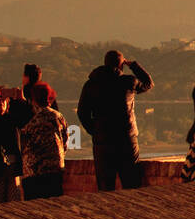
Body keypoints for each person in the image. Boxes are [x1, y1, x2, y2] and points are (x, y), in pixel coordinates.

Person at [77, 50, 153, 191]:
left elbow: (82, 112)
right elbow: (148, 83)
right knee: (131, 184)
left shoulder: (91, 84)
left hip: (102, 141)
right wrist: (133, 65)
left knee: (105, 187)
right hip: (126, 139)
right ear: (121, 65)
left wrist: (94, 131)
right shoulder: (128, 82)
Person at [20, 82, 67, 200]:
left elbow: (22, 143)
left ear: (32, 99)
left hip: (33, 172)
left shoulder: (29, 119)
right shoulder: (58, 116)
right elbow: (65, 140)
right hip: (55, 170)